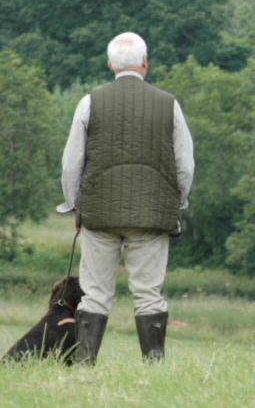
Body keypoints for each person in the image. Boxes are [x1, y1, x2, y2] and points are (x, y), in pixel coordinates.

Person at [57, 32, 195, 364]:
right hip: (151, 217)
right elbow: (185, 165)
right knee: (149, 295)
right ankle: (154, 369)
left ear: (110, 65)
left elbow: (72, 161)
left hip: (99, 216)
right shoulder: (169, 104)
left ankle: (85, 365)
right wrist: (179, 201)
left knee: (96, 294)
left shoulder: (90, 101)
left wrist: (73, 202)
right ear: (145, 63)